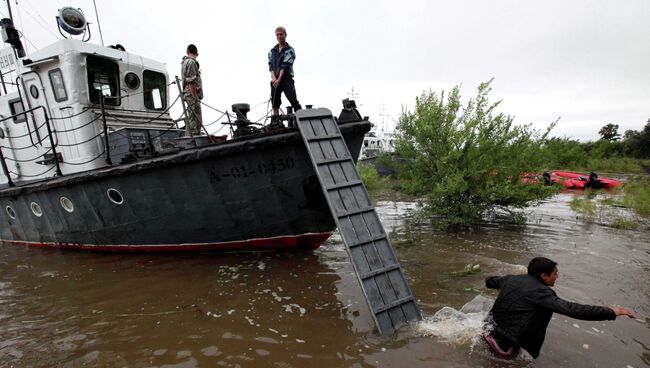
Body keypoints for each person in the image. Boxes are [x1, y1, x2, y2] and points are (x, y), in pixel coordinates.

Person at [483, 257, 636, 359]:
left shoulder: (511, 279)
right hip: (504, 345)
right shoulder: (542, 293)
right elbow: (572, 309)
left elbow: (490, 281)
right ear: (543, 275)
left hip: (488, 329)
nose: (557, 276)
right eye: (555, 273)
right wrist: (611, 311)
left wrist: (506, 289)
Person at [268, 26, 301, 119]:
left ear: (285, 35)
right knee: (275, 102)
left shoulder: (290, 50)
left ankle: (301, 118)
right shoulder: (272, 51)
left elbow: (285, 66)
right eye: (277, 35)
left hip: (286, 78)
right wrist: (274, 78)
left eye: (281, 34)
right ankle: (275, 121)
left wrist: (279, 79)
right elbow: (270, 66)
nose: (279, 36)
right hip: (275, 79)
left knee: (293, 100)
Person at [181, 44, 203, 136]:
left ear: (187, 52)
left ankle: (191, 136)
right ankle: (193, 139)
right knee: (195, 120)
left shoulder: (184, 63)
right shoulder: (191, 62)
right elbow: (191, 82)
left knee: (192, 118)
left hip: (189, 94)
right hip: (192, 94)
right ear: (197, 53)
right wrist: (195, 97)